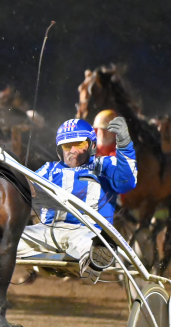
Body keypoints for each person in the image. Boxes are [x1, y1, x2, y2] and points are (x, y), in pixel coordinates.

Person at [16, 117, 137, 281]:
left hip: (85, 232)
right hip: (46, 232)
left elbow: (128, 181)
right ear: (60, 149)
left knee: (90, 242)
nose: (72, 150)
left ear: (91, 145)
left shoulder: (105, 165)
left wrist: (124, 144)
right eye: (67, 146)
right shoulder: (49, 170)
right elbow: (24, 188)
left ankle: (92, 263)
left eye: (79, 145)